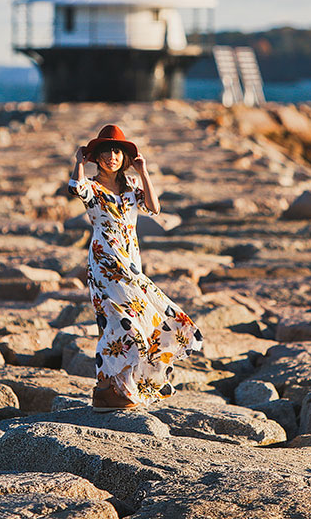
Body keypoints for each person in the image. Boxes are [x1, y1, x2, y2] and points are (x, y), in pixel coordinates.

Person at [68, 124, 203, 411]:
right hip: (105, 264)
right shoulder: (92, 187)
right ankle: (105, 388)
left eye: (117, 151)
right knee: (116, 323)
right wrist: (78, 162)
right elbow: (75, 188)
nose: (112, 157)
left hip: (131, 264)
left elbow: (154, 208)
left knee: (144, 320)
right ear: (96, 157)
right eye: (105, 152)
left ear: (124, 157)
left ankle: (118, 388)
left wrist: (144, 172)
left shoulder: (131, 187)